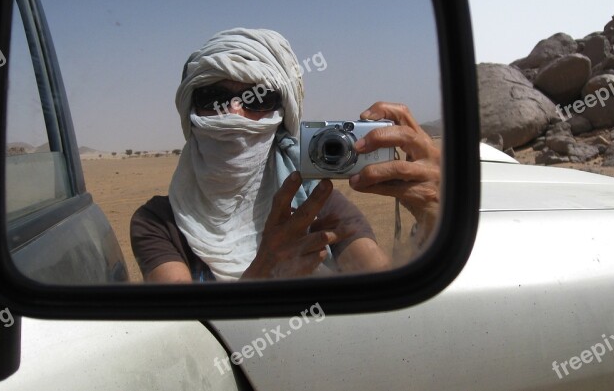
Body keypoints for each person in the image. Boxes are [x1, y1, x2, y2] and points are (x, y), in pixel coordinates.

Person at [130, 28, 439, 282]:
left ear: (281, 114)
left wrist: (431, 213)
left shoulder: (316, 203)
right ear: (191, 110)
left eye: (259, 97)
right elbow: (188, 331)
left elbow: (384, 291)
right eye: (214, 98)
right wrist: (264, 271)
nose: (234, 111)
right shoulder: (159, 222)